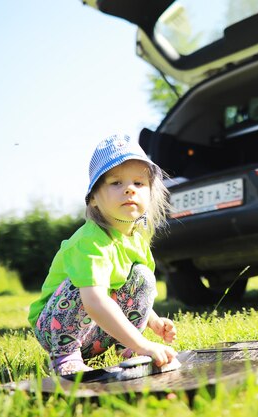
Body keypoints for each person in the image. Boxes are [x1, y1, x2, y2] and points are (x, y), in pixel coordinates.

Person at [28, 133, 177, 375]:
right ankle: (65, 358)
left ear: (150, 193)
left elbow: (129, 294)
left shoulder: (137, 241)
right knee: (82, 285)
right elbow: (95, 301)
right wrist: (144, 344)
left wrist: (152, 321)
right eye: (116, 183)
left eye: (138, 183)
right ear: (94, 199)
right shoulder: (90, 242)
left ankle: (128, 348)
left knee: (142, 277)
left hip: (98, 331)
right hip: (56, 329)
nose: (129, 189)